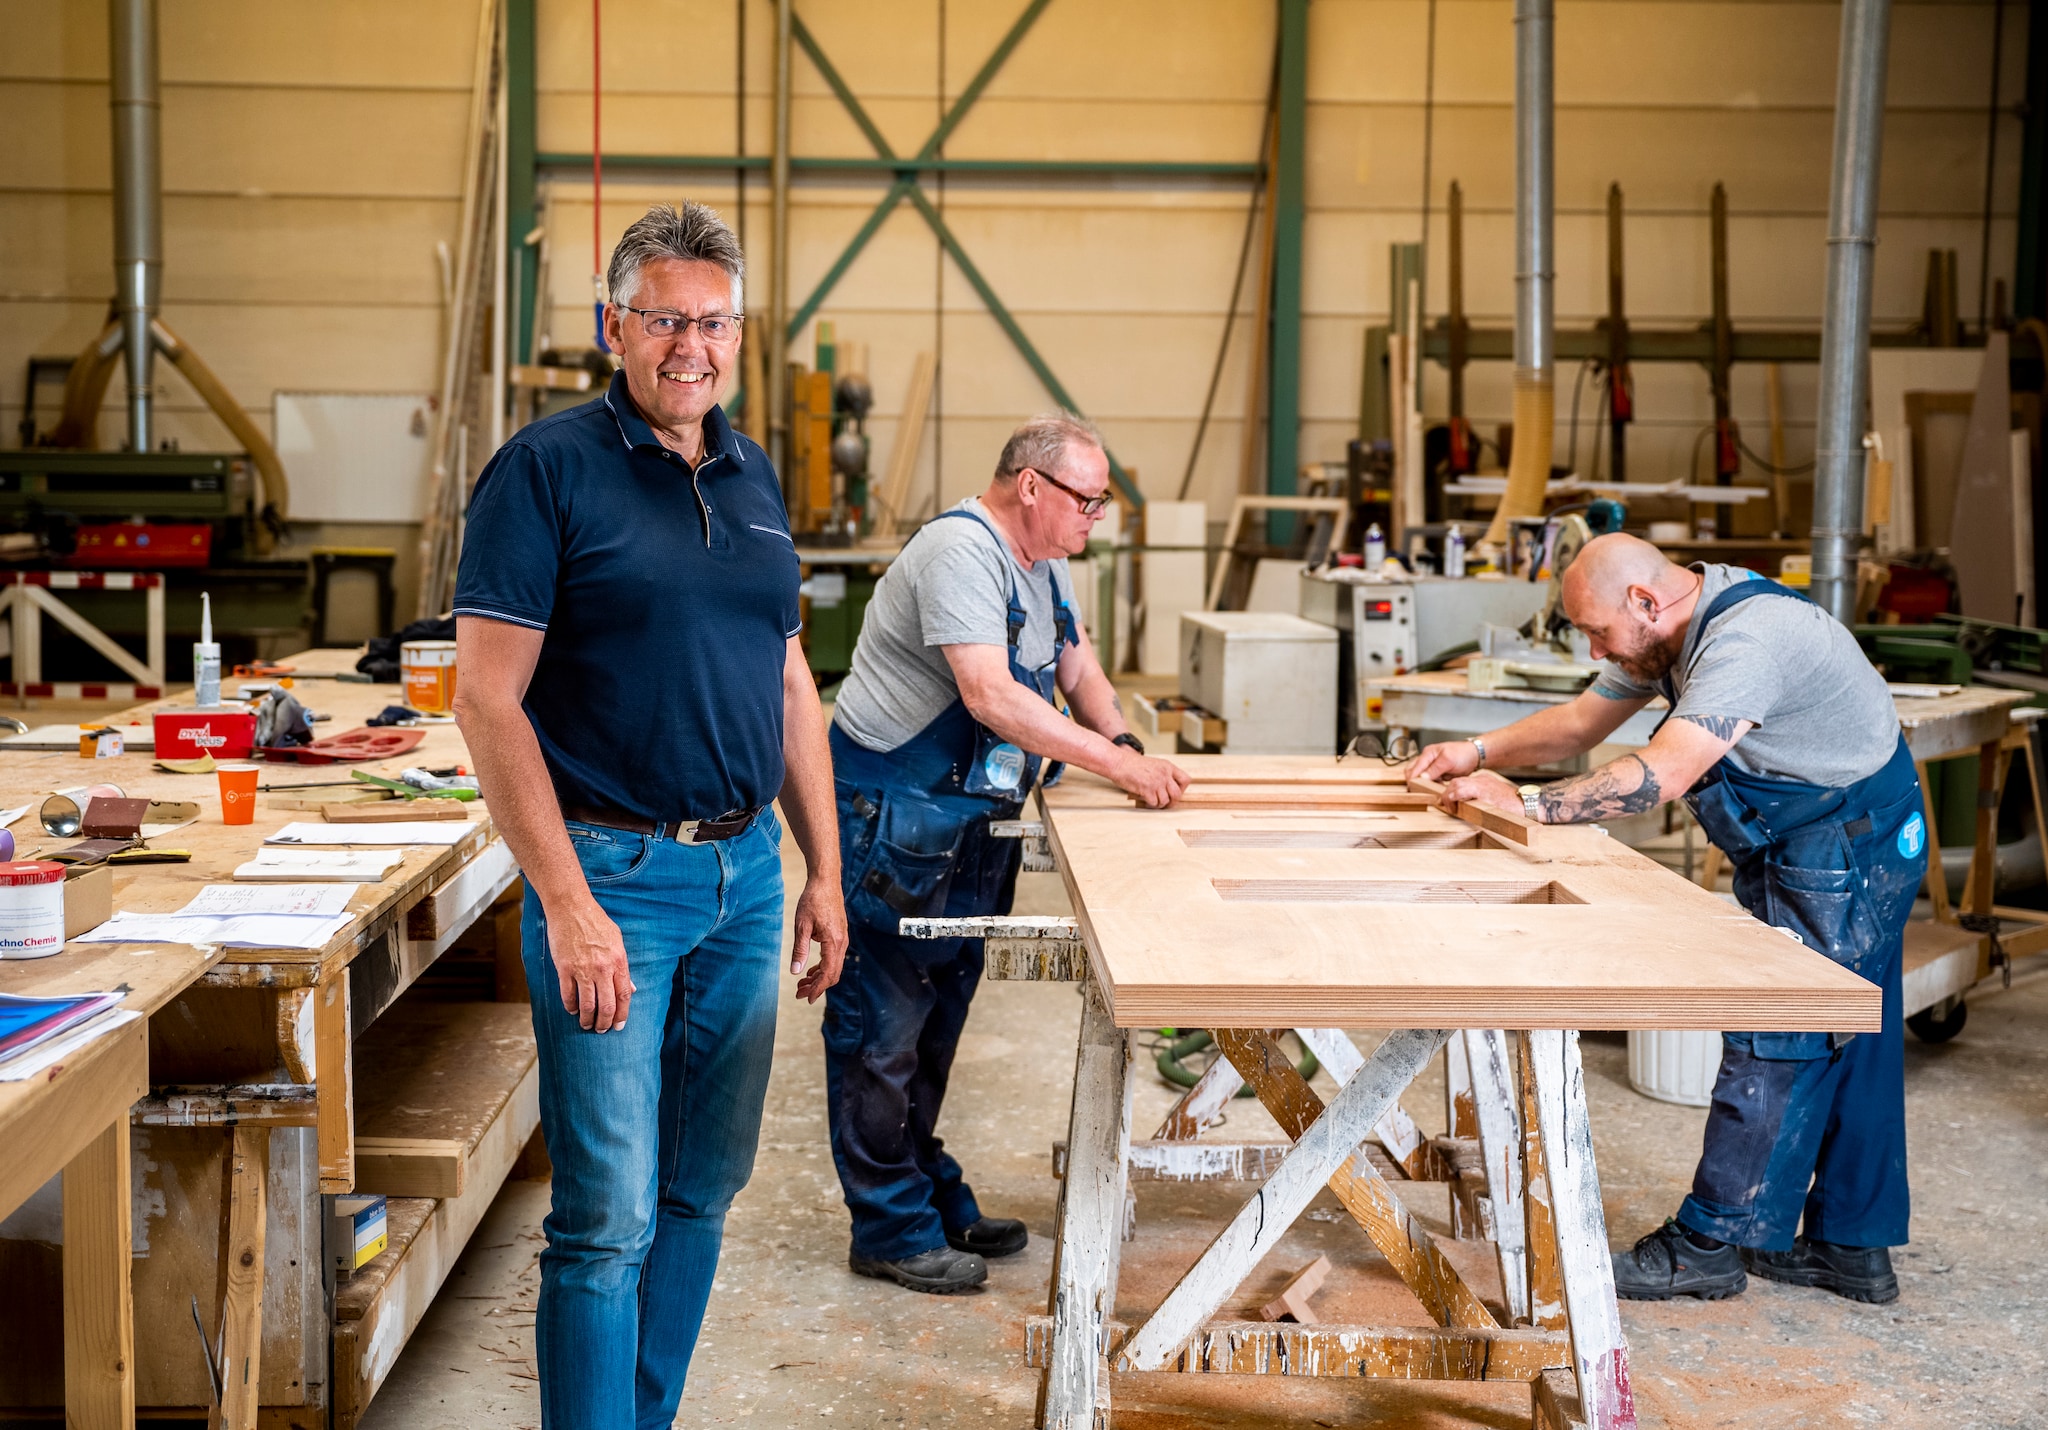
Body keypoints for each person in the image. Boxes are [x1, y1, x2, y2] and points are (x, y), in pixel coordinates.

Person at [452, 201, 848, 1427]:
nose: (692, 344)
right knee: (606, 1210)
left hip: (744, 879)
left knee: (703, 1187)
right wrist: (564, 900)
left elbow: (787, 678)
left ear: (741, 331)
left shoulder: (751, 469)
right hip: (612, 876)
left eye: (715, 320)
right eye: (665, 317)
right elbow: (486, 698)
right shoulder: (545, 469)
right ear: (611, 325)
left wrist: (823, 870)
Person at [1411, 533, 1923, 1306]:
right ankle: (1849, 1249)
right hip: (1838, 826)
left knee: (1779, 1025)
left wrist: (1525, 805)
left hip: (1847, 840)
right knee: (1849, 1035)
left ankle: (1708, 1244)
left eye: (1598, 632)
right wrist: (1477, 751)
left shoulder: (1747, 640)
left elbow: (1663, 770)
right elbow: (1582, 722)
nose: (1594, 647)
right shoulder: (1673, 622)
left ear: (1646, 603)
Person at [823, 414, 1190, 1293]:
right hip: (896, 819)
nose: (1094, 518)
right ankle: (887, 1226)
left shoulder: (1045, 563)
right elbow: (989, 696)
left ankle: (923, 1187)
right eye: (1087, 501)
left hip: (968, 822)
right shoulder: (961, 552)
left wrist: (1127, 746)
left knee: (938, 1025)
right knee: (882, 1032)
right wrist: (1110, 768)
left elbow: (1077, 668)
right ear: (1032, 487)